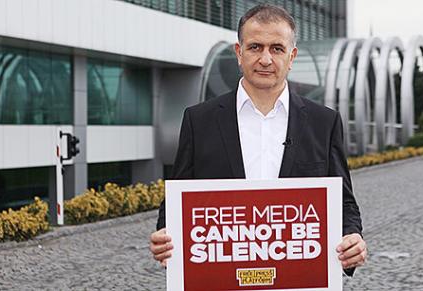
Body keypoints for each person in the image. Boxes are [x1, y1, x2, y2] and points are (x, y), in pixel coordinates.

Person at [150, 4, 367, 275]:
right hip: (223, 280)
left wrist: (352, 237)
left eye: (277, 48)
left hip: (297, 280)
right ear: (239, 53)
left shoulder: (324, 122)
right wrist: (165, 234)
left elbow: (343, 202)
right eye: (255, 47)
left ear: (292, 56)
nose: (265, 59)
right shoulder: (199, 121)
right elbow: (176, 202)